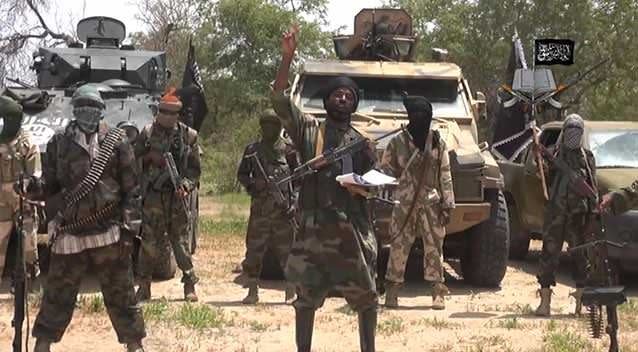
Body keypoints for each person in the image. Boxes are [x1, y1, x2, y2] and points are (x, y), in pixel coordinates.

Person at [272, 25, 378, 352]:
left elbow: (375, 185)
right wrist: (287, 58)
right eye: (337, 94)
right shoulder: (309, 131)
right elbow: (279, 100)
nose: (343, 98)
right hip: (313, 230)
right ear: (327, 100)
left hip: (351, 230)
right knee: (305, 299)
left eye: (348, 96)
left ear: (353, 104)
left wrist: (359, 185)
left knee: (367, 298)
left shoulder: (362, 143)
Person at [31, 84, 145, 352]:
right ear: (74, 111)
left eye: (93, 108)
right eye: (82, 107)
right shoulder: (59, 143)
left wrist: (130, 229)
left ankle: (134, 344)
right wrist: (33, 188)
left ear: (101, 111)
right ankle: (43, 343)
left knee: (121, 294)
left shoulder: (117, 142)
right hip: (71, 232)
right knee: (57, 295)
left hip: (108, 232)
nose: (87, 113)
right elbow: (50, 185)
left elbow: (132, 190)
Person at [379, 96, 454, 310]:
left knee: (434, 249)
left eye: (424, 114)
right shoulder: (397, 143)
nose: (420, 118)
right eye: (415, 114)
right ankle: (392, 290)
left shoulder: (437, 142)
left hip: (431, 203)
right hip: (404, 203)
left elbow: (445, 175)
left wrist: (448, 205)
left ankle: (438, 292)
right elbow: (385, 171)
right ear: (409, 116)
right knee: (398, 247)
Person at [135, 88, 201, 302]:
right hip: (153, 196)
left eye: (173, 114)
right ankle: (144, 286)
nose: (168, 118)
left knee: (180, 242)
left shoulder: (188, 136)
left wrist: (185, 185)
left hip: (176, 197)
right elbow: (132, 161)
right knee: (149, 243)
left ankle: (189, 284)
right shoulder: (146, 133)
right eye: (164, 113)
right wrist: (150, 159)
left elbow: (194, 170)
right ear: (159, 112)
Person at [535, 113, 597, 317]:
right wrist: (538, 157)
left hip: (578, 216)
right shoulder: (553, 155)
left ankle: (581, 305)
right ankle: (545, 304)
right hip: (556, 215)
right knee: (548, 257)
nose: (573, 135)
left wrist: (592, 215)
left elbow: (592, 188)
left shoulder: (587, 158)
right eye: (570, 130)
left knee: (581, 257)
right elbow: (542, 176)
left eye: (576, 131)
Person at [236, 109, 297, 304]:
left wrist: (294, 202)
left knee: (287, 250)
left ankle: (291, 290)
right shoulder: (252, 150)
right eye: (265, 125)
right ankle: (252, 290)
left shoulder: (289, 150)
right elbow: (242, 175)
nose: (269, 129)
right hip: (260, 209)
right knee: (254, 250)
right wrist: (255, 185)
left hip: (283, 210)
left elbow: (299, 178)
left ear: (279, 127)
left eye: (273, 124)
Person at [0, 96, 40, 287]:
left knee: (28, 239)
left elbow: (35, 173)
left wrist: (29, 187)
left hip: (22, 197)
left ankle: (30, 279)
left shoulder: (25, 141)